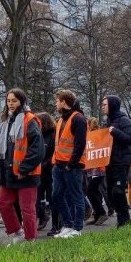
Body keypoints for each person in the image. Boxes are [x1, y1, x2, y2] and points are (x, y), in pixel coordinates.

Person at [0, 88, 44, 244]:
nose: (10, 104)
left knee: (27, 209)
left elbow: (37, 150)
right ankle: (17, 233)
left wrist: (24, 169)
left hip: (26, 174)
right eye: (8, 101)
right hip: (9, 173)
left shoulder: (30, 120)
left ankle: (30, 240)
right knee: (2, 203)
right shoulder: (6, 121)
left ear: (22, 101)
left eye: (14, 101)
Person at [52, 89, 87, 238]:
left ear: (64, 102)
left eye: (57, 101)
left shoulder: (78, 119)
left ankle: (77, 228)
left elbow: (80, 145)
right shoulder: (61, 120)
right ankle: (68, 224)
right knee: (57, 196)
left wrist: (70, 164)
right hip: (59, 165)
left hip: (71, 166)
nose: (56, 104)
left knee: (76, 196)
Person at [103, 95, 131, 227]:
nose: (103, 107)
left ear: (112, 105)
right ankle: (121, 218)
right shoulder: (108, 121)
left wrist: (115, 132)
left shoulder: (123, 120)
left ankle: (125, 220)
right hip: (110, 161)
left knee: (118, 191)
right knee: (111, 193)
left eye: (105, 104)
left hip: (122, 160)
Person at [34, 112, 57, 233]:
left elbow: (53, 152)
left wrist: (46, 164)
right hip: (39, 170)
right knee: (38, 196)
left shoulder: (52, 135)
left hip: (49, 170)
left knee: (52, 196)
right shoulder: (38, 134)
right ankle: (42, 216)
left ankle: (56, 224)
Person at [85, 118, 108, 226]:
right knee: (94, 192)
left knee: (91, 191)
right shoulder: (89, 135)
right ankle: (97, 215)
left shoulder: (96, 135)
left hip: (97, 169)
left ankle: (102, 213)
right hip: (90, 169)